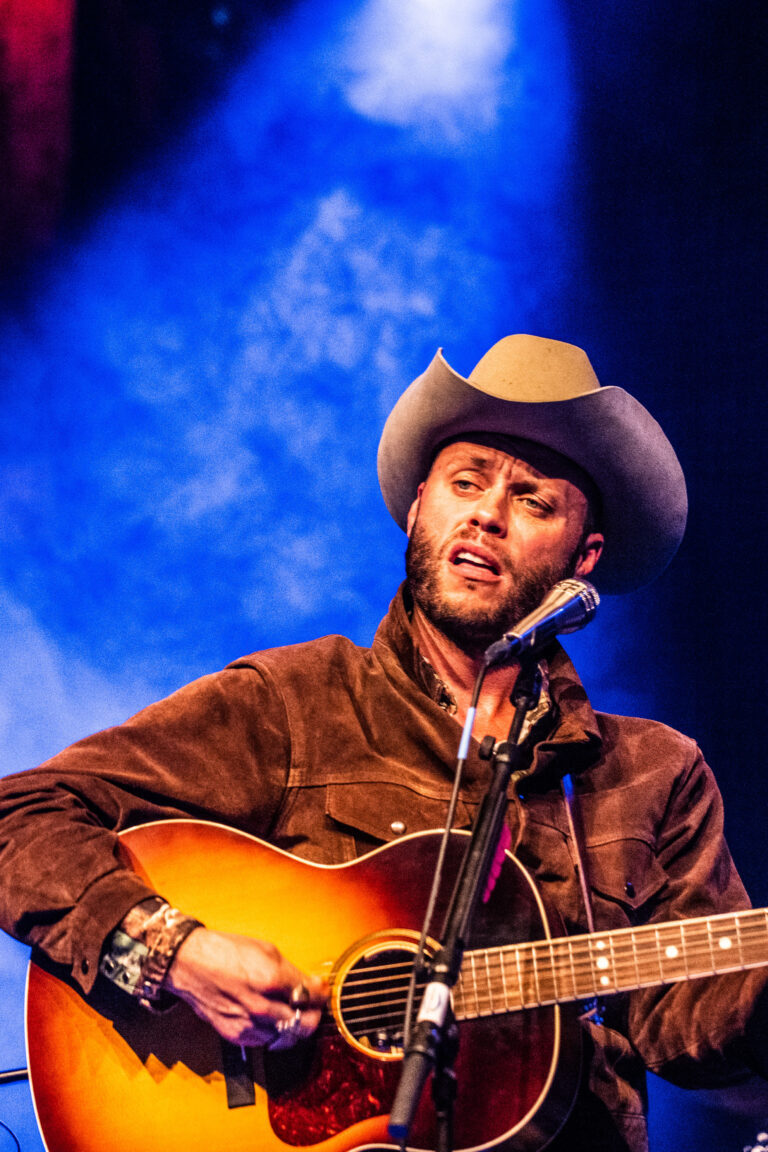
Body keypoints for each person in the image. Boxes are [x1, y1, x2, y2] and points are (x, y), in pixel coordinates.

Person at [1, 334, 766, 1152]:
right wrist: (170, 950)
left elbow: (687, 1023)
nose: (487, 513)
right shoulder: (294, 703)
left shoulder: (652, 774)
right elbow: (20, 816)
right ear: (417, 508)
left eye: (533, 501)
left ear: (584, 558)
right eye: (465, 482)